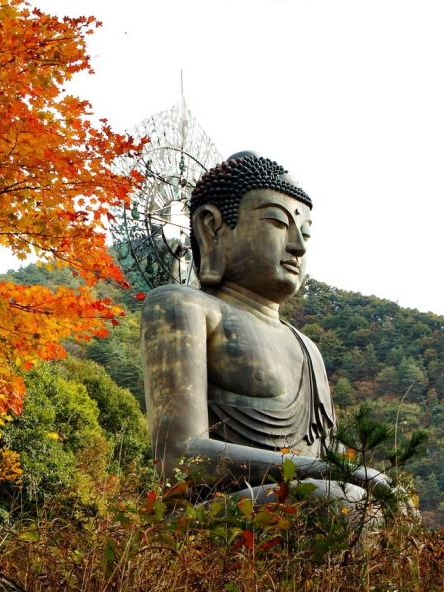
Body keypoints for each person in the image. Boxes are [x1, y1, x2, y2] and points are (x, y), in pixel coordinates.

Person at [141, 152, 388, 505]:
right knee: (332, 500)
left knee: (380, 506)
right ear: (211, 228)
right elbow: (179, 458)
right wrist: (329, 475)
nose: (298, 247)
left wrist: (342, 476)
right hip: (209, 516)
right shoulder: (183, 306)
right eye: (277, 223)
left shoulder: (306, 349)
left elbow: (326, 456)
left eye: (305, 233)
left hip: (308, 498)